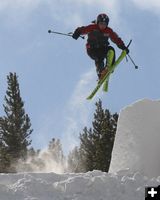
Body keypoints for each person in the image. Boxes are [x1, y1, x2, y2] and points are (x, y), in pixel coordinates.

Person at [72, 13, 129, 80]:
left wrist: (123, 46)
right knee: (99, 58)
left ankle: (109, 67)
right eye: (101, 23)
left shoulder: (108, 31)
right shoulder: (93, 27)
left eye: (105, 24)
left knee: (111, 50)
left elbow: (116, 39)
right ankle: (101, 72)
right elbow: (83, 29)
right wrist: (77, 32)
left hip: (102, 48)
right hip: (92, 50)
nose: (103, 26)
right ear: (98, 23)